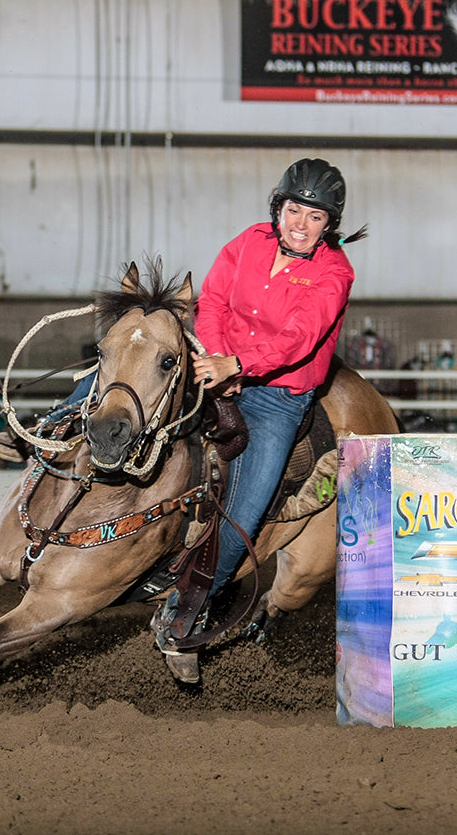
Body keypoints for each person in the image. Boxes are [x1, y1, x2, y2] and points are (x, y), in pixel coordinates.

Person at [156, 157, 366, 679]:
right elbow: (213, 302)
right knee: (132, 369)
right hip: (219, 366)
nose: (300, 224)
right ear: (278, 208)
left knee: (244, 515)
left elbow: (300, 338)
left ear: (329, 225)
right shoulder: (249, 241)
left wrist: (238, 366)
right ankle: (56, 429)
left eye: (314, 216)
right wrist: (217, 361)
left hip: (277, 399)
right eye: (294, 210)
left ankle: (185, 614)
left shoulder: (335, 273)